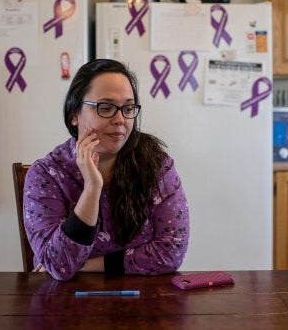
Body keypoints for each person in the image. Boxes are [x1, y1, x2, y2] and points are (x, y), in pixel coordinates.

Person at [23, 58, 189, 281]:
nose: (120, 120)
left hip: (143, 303)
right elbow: (58, 265)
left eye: (128, 108)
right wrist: (92, 188)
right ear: (74, 114)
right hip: (65, 306)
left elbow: (172, 251)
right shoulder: (46, 175)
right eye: (106, 107)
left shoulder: (157, 166)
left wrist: (88, 265)